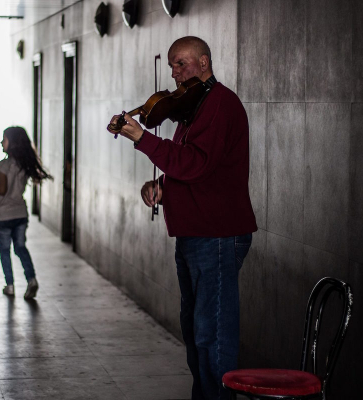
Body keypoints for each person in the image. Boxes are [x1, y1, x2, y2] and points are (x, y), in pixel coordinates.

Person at [108, 36, 257, 400]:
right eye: (172, 65)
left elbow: (196, 163)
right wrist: (162, 186)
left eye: (182, 64)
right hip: (195, 233)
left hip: (217, 234)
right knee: (195, 332)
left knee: (213, 335)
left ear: (204, 63)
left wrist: (142, 137)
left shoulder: (220, 104)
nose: (174, 73)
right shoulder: (193, 108)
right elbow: (194, 166)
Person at [0, 127, 52, 298]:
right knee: (20, 247)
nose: (1, 142)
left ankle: (10, 285)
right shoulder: (24, 165)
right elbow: (12, 193)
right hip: (20, 214)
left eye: (4, 139)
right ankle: (31, 279)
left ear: (12, 143)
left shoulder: (3, 165)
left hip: (3, 216)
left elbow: (2, 191)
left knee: (4, 250)